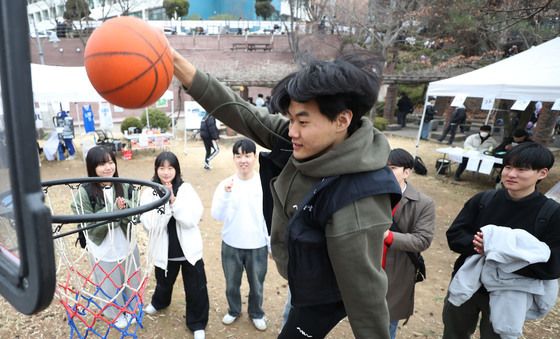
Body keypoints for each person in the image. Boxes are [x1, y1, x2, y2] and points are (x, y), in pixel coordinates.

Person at [172, 49, 401, 338]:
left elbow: (365, 294)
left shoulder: (356, 200)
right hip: (303, 274)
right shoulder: (310, 140)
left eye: (302, 122)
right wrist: (176, 64)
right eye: (290, 119)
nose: (291, 131)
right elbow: (243, 113)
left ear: (342, 120)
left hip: (325, 295)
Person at [443, 142, 560, 338]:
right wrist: (479, 246)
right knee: (454, 334)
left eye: (521, 169)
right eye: (508, 167)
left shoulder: (551, 214)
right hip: (467, 287)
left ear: (542, 173)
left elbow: (553, 265)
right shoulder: (483, 200)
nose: (511, 174)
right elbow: (455, 235)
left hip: (511, 295)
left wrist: (500, 254)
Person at [140, 151, 208, 339]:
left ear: (176, 170)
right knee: (163, 282)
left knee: (196, 287)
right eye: (162, 168)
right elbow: (149, 224)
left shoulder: (186, 189)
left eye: (170, 168)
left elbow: (191, 220)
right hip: (165, 251)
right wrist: (167, 207)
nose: (166, 172)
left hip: (188, 251)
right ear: (156, 170)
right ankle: (159, 302)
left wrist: (173, 202)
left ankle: (197, 323)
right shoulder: (149, 191)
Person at [70, 145, 139, 329]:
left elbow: (137, 210)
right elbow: (90, 226)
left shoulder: (124, 185)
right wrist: (114, 210)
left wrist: (126, 207)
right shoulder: (85, 192)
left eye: (110, 162)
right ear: (92, 167)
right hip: (103, 247)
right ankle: (115, 313)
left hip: (126, 243)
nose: (108, 167)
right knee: (109, 282)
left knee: (130, 278)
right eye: (101, 164)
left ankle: (132, 307)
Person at [211, 138, 269, 331]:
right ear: (234, 158)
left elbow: (268, 216)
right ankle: (234, 310)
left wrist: (269, 243)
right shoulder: (226, 184)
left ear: (254, 157)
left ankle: (257, 312)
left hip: (257, 244)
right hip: (231, 243)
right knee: (231, 284)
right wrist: (227, 194)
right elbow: (216, 215)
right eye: (239, 155)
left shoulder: (264, 183)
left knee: (257, 284)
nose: (243, 160)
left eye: (247, 155)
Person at [384, 148, 436, 339]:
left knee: (386, 324)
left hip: (396, 272)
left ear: (407, 172)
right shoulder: (369, 195)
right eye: (383, 167)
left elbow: (422, 240)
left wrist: (388, 237)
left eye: (392, 168)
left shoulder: (423, 203)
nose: (386, 172)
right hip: (366, 269)